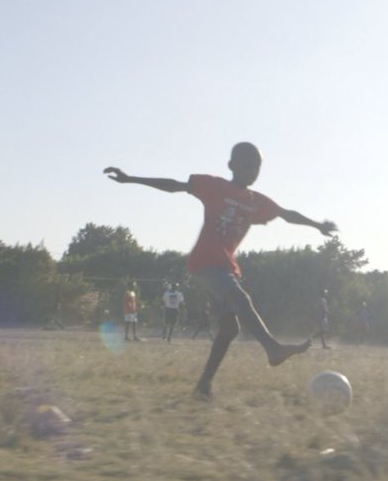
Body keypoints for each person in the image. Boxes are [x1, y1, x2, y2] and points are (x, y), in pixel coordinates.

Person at [104, 142, 336, 398]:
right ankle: (272, 348)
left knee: (229, 329)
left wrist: (317, 226)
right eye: (246, 164)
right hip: (206, 263)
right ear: (231, 165)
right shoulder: (214, 186)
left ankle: (203, 387)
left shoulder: (256, 202)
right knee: (240, 297)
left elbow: (286, 214)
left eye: (256, 166)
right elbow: (174, 186)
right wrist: (130, 179)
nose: (252, 170)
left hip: (226, 267)